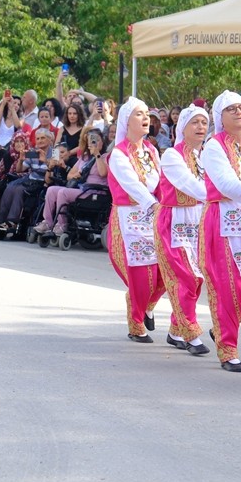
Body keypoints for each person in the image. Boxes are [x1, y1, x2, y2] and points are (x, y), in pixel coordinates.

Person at [200, 91, 241, 372]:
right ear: (220, 117)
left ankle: (221, 327)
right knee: (229, 288)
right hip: (223, 220)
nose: (240, 112)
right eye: (232, 109)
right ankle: (228, 350)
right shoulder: (214, 147)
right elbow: (227, 185)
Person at [106, 97, 166, 343]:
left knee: (164, 271)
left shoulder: (152, 150)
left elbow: (160, 181)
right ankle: (136, 322)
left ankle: (147, 306)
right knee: (140, 273)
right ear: (126, 121)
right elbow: (131, 184)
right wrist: (153, 203)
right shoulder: (118, 154)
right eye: (139, 114)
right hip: (128, 218)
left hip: (154, 215)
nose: (145, 119)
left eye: (147, 114)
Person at [154, 106, 210, 355]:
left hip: (198, 219)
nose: (200, 127)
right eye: (195, 123)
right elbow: (192, 186)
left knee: (197, 278)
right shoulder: (172, 156)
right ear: (182, 128)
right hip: (174, 219)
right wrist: (222, 195)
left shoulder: (206, 156)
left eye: (204, 122)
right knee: (186, 276)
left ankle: (175, 330)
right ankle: (190, 333)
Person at [37, 128, 108, 236]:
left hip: (95, 193)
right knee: (51, 190)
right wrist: (77, 174)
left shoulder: (106, 157)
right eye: (91, 140)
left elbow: (103, 173)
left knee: (63, 193)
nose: (93, 143)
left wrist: (97, 154)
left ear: (102, 142)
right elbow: (70, 176)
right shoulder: (84, 158)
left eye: (96, 140)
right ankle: (47, 222)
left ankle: (62, 224)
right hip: (82, 190)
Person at [0, 128, 55, 235]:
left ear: (50, 140)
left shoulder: (55, 152)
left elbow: (54, 171)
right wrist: (21, 159)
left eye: (43, 138)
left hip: (44, 181)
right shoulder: (33, 152)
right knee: (10, 187)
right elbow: (19, 170)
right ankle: (1, 218)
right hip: (30, 179)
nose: (40, 141)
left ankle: (12, 221)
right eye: (38, 139)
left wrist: (45, 160)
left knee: (19, 190)